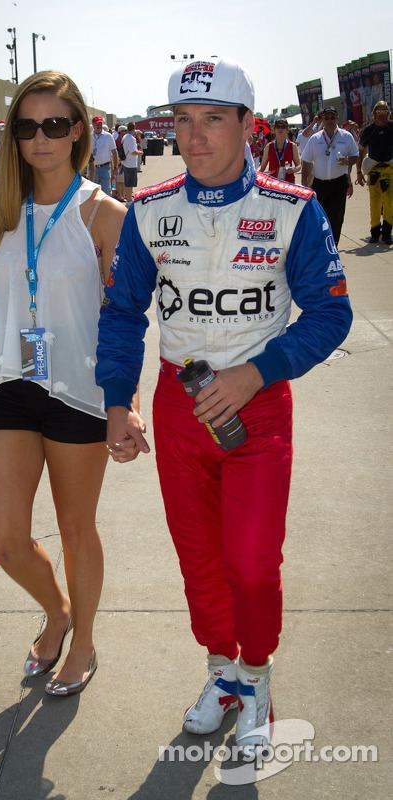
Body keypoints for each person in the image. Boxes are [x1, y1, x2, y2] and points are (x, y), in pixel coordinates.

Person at [96, 56, 352, 752]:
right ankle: (220, 671)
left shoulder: (290, 209)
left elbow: (330, 316)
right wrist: (117, 402)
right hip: (178, 406)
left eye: (213, 119)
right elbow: (121, 314)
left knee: (249, 560)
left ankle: (257, 676)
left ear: (247, 124)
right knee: (198, 558)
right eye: (183, 119)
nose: (195, 135)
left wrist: (258, 372)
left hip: (257, 407)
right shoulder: (149, 211)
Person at [0, 69, 126, 697]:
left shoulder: (104, 216)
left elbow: (124, 323)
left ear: (78, 130)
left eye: (55, 124)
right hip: (12, 384)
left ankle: (81, 642)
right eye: (27, 127)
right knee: (4, 537)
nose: (40, 139)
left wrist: (122, 403)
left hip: (80, 389)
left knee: (77, 528)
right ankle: (56, 609)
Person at [301, 107, 359, 245]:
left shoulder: (346, 136)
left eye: (332, 117)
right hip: (319, 184)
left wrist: (347, 161)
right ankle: (321, 247)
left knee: (337, 217)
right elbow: (307, 161)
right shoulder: (315, 139)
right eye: (326, 118)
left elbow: (355, 156)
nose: (330, 120)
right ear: (323, 120)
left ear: (337, 118)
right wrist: (304, 183)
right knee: (319, 218)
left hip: (339, 183)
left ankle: (333, 247)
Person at [356, 100, 393, 244]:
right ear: (374, 113)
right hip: (373, 172)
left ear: (388, 112)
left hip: (389, 170)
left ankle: (387, 233)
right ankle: (375, 233)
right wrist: (359, 172)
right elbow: (361, 151)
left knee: (389, 203)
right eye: (379, 111)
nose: (382, 114)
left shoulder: (392, 128)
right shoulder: (368, 130)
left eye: (385, 111)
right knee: (375, 203)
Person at [91, 115, 118, 196]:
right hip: (93, 168)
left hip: (105, 167)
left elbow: (114, 152)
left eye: (100, 123)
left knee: (106, 191)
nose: (99, 125)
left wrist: (115, 168)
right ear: (93, 124)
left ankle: (107, 207)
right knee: (94, 192)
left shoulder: (108, 136)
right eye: (96, 124)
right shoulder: (89, 136)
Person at [121, 122, 143, 203]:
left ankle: (128, 198)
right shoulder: (131, 138)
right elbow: (133, 152)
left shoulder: (125, 136)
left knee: (127, 182)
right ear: (134, 128)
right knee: (130, 183)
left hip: (126, 162)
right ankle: (129, 200)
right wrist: (140, 152)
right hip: (131, 163)